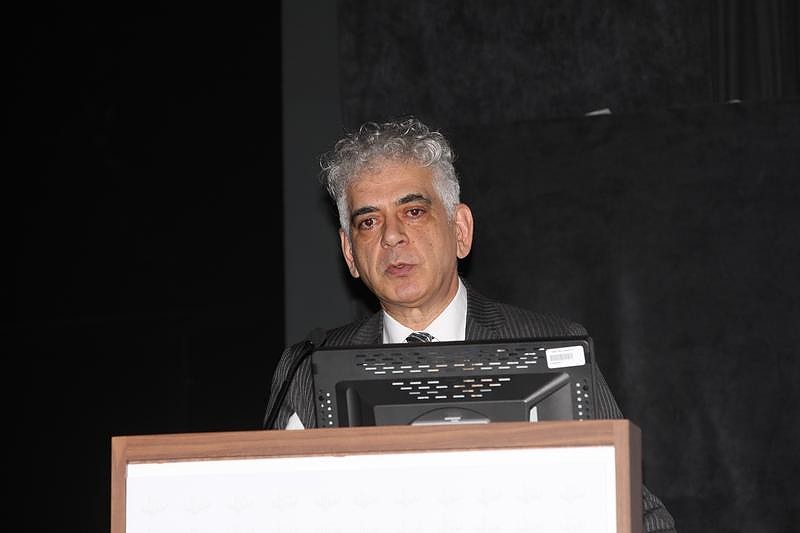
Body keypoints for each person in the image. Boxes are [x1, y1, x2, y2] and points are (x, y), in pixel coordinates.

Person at [264, 116, 677, 532]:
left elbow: (643, 520)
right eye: (368, 222)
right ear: (350, 253)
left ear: (460, 230)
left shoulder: (553, 348)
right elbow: (268, 512)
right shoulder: (307, 369)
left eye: (413, 211)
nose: (391, 236)